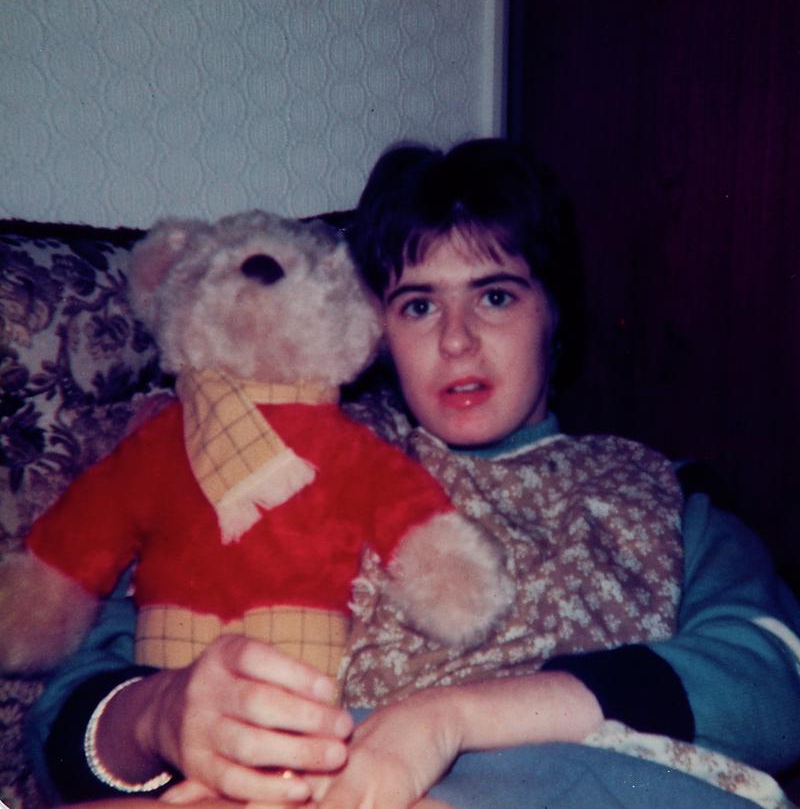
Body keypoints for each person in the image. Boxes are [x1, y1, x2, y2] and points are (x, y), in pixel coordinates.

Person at [26, 139, 800, 808]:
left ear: (554, 314)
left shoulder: (661, 491)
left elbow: (768, 682)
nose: (457, 341)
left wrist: (449, 718)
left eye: (495, 296)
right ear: (377, 332)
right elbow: (63, 721)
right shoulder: (296, 461)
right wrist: (161, 712)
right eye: (419, 306)